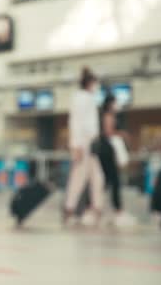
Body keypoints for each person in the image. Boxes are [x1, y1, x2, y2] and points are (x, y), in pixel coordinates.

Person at [64, 68, 106, 226]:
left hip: (89, 144)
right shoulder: (82, 99)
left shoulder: (87, 98)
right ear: (89, 83)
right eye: (95, 83)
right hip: (84, 145)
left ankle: (96, 209)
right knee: (79, 179)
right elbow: (76, 123)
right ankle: (70, 210)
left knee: (97, 178)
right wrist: (77, 146)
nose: (96, 86)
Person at [98, 95, 136, 227]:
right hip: (108, 151)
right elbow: (108, 132)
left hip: (106, 151)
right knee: (113, 181)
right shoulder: (108, 116)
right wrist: (122, 134)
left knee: (107, 182)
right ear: (110, 104)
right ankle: (117, 211)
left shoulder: (106, 115)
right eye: (115, 103)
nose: (117, 105)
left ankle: (102, 211)